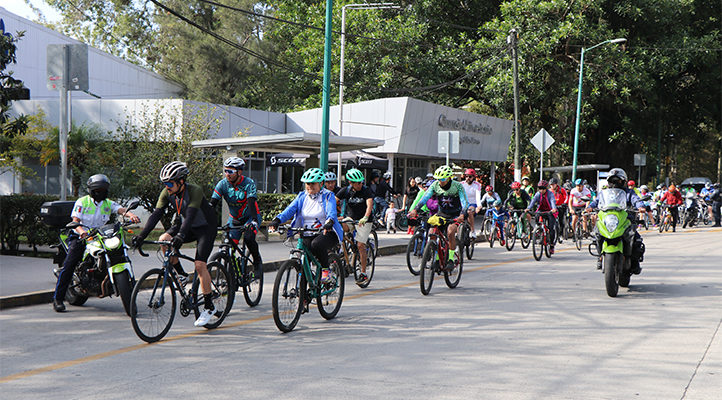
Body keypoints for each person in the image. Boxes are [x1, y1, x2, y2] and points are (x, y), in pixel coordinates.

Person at [132, 161, 219, 327]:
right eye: (165, 183)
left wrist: (180, 236)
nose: (167, 187)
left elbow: (192, 215)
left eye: (170, 183)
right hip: (186, 224)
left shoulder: (195, 190)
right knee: (164, 240)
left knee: (200, 265)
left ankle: (208, 307)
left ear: (181, 181)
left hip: (205, 228)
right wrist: (141, 236)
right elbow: (156, 215)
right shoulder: (167, 192)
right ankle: (182, 274)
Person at [53, 174, 140, 312]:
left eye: (103, 190)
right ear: (92, 190)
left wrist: (131, 215)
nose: (101, 193)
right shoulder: (82, 202)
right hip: (81, 236)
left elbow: (120, 210)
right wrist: (82, 231)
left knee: (119, 251)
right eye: (97, 190)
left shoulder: (107, 203)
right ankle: (58, 299)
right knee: (69, 264)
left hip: (101, 236)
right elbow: (75, 220)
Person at [269, 168, 343, 284]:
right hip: (307, 232)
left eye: (313, 184)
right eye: (308, 184)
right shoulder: (302, 196)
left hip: (326, 232)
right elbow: (289, 210)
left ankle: (325, 270)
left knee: (316, 244)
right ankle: (303, 298)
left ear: (321, 183)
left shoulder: (328, 195)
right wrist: (277, 220)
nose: (310, 187)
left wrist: (329, 222)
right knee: (303, 264)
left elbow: (331, 212)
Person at [209, 157, 263, 279]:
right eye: (226, 171)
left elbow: (251, 202)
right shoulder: (222, 184)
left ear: (239, 172)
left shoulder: (248, 183)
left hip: (251, 217)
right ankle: (231, 275)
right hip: (234, 218)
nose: (227, 174)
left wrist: (254, 221)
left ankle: (257, 262)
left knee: (249, 238)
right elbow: (212, 204)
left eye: (230, 171)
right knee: (228, 244)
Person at [587, 168, 646, 272]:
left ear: (623, 182)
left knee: (636, 240)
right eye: (612, 180)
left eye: (617, 180)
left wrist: (640, 206)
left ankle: (635, 262)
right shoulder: (604, 193)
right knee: (596, 234)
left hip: (626, 219)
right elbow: (596, 201)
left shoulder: (629, 193)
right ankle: (600, 257)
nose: (615, 183)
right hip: (608, 219)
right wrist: (590, 207)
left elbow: (636, 200)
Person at [408, 165, 468, 269]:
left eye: (443, 179)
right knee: (432, 233)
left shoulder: (457, 186)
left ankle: (450, 258)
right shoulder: (435, 185)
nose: (441, 181)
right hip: (442, 213)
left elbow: (465, 202)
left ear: (449, 177)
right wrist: (415, 210)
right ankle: (436, 258)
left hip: (455, 214)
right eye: (438, 179)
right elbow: (425, 198)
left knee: (450, 232)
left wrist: (462, 214)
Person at [335, 168, 374, 283]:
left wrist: (365, 217)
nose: (360, 184)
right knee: (338, 227)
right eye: (357, 183)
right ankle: (343, 249)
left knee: (361, 245)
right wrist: (333, 216)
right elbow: (333, 201)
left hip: (364, 221)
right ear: (351, 183)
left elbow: (369, 205)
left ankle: (363, 273)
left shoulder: (366, 190)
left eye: (361, 182)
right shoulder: (346, 191)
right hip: (351, 218)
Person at [526, 180, 558, 254]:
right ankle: (539, 229)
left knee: (551, 228)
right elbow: (533, 201)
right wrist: (529, 208)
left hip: (550, 211)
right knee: (537, 215)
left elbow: (552, 201)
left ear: (546, 188)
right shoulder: (538, 194)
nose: (541, 190)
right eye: (540, 188)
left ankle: (552, 245)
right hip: (541, 210)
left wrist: (553, 209)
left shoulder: (550, 194)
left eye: (543, 188)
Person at [460, 168, 482, 239]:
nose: (468, 178)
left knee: (470, 211)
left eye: (470, 176)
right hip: (463, 204)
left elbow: (478, 197)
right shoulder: (461, 184)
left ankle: (472, 231)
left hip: (472, 204)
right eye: (466, 176)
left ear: (473, 177)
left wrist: (479, 206)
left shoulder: (477, 185)